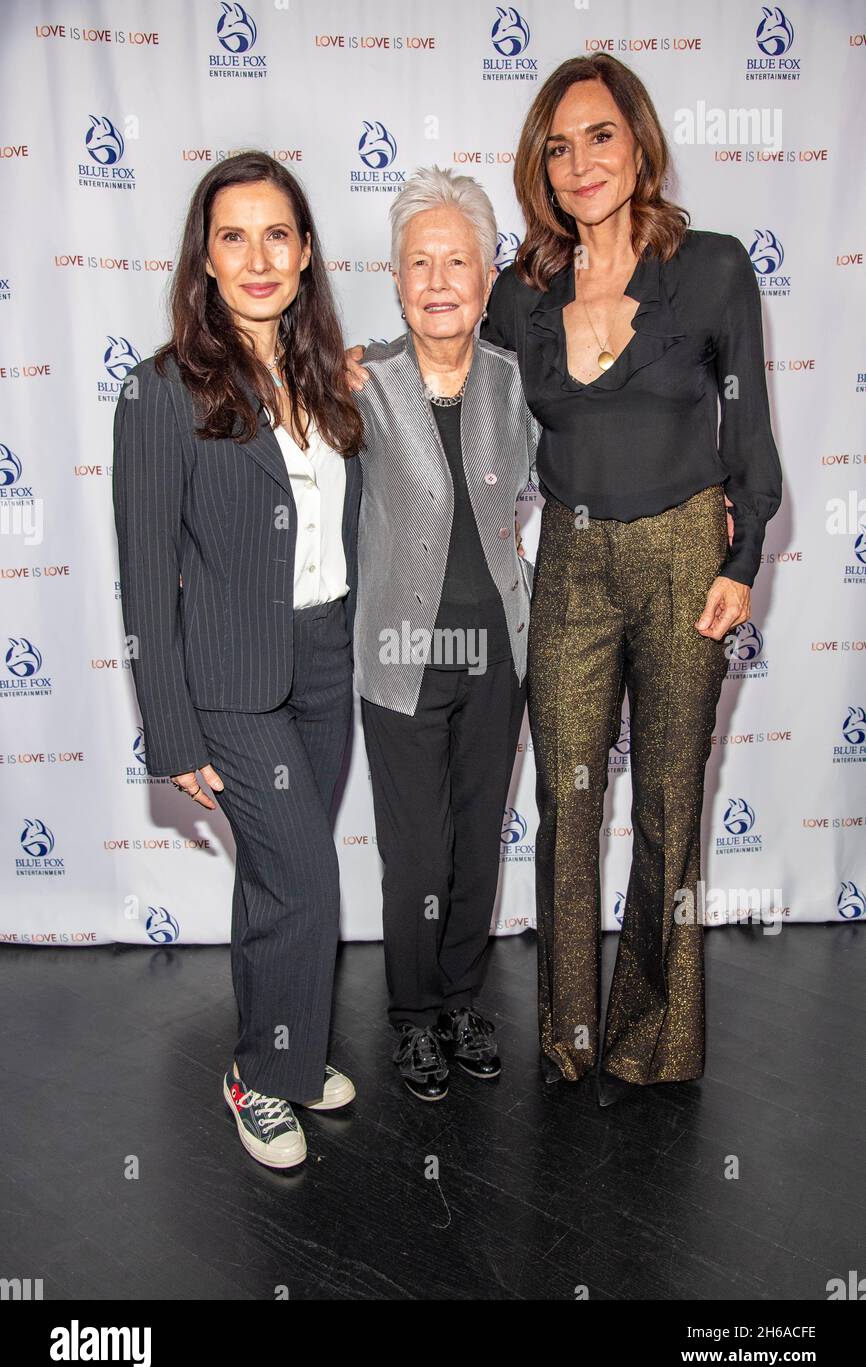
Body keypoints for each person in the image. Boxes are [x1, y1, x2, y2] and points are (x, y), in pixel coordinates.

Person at [480, 55, 783, 1104]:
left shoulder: (710, 269)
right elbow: (451, 388)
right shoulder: (521, 296)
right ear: (541, 169)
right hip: (568, 554)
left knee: (665, 804)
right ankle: (568, 1036)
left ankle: (651, 1037)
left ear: (639, 142)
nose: (578, 162)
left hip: (682, 554)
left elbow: (748, 437)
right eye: (556, 147)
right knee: (566, 805)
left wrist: (740, 565)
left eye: (597, 135)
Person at [112, 152, 363, 1165]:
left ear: (303, 255)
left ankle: (286, 1050)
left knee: (271, 877)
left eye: (276, 235)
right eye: (232, 236)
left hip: (328, 660)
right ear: (204, 261)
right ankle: (259, 1077)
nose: (256, 257)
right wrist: (168, 730)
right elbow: (143, 576)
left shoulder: (327, 379)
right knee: (306, 880)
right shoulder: (158, 390)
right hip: (231, 683)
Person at [350, 167, 539, 1100]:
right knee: (416, 852)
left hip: (499, 649)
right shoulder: (363, 383)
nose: (437, 279)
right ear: (395, 279)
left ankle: (463, 1000)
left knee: (476, 837)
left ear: (487, 273)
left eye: (455, 260)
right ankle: (413, 1018)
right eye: (418, 262)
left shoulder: (515, 384)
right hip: (403, 658)